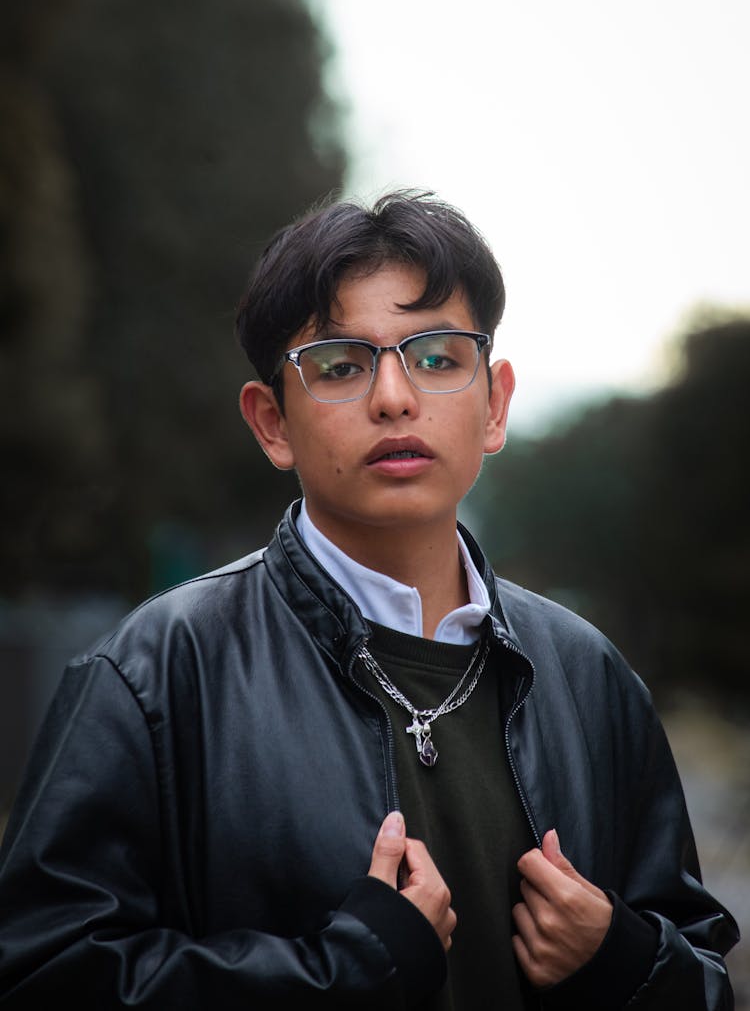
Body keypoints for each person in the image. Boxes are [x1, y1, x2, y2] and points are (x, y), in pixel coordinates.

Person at [0, 191, 738, 1009]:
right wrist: (343, 971)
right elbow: (42, 974)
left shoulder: (590, 677)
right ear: (272, 422)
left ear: (493, 404)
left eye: (436, 357)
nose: (393, 396)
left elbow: (704, 975)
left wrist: (623, 959)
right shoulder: (154, 675)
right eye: (341, 365)